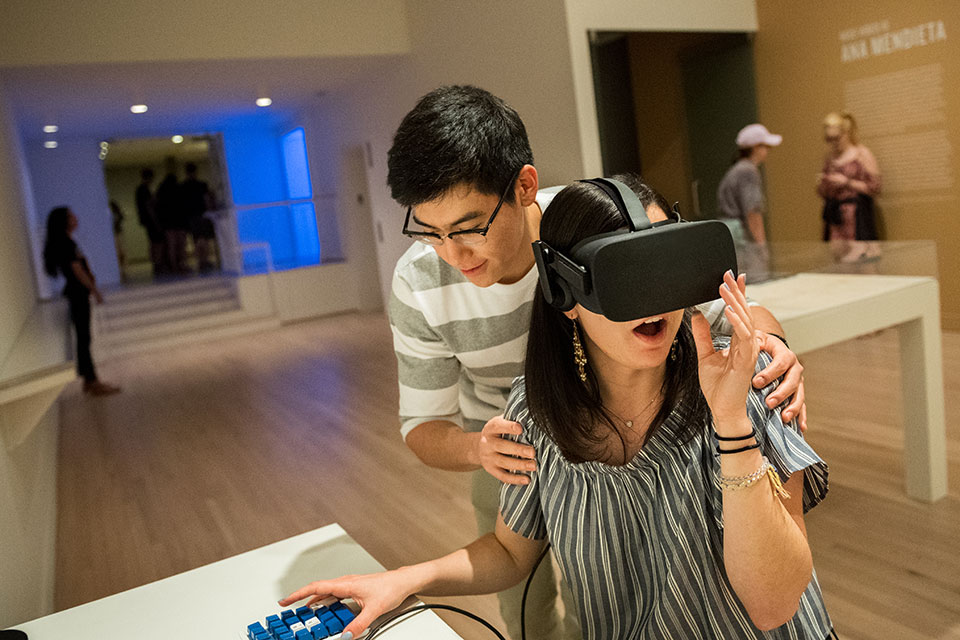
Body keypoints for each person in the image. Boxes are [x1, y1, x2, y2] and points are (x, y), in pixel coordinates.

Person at [280, 176, 833, 639]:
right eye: (626, 275)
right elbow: (510, 552)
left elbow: (773, 605)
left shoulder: (747, 387)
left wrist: (734, 425)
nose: (654, 299)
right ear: (567, 294)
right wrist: (402, 579)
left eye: (664, 265)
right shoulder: (536, 413)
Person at [379, 86, 808, 640]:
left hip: (650, 422)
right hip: (513, 447)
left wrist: (773, 350)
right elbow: (423, 428)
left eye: (468, 228)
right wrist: (480, 449)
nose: (452, 254)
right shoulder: (420, 283)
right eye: (431, 233)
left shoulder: (593, 226)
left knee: (635, 589)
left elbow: (711, 308)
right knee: (535, 612)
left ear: (524, 188)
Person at [42, 206, 120, 396]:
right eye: (70, 216)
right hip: (78, 293)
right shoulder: (65, 244)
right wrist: (94, 290)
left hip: (77, 293)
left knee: (84, 337)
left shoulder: (66, 242)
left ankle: (89, 380)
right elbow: (77, 270)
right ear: (64, 221)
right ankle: (92, 381)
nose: (75, 218)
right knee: (84, 338)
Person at [717, 123, 781, 282]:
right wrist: (761, 246)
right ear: (756, 147)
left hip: (731, 232)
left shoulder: (738, 169)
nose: (767, 151)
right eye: (765, 146)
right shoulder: (747, 171)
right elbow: (752, 211)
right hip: (742, 235)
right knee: (754, 279)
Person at [817, 112, 881, 263]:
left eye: (837, 138)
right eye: (829, 139)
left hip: (857, 216)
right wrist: (824, 184)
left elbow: (875, 186)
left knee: (862, 261)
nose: (833, 143)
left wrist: (847, 182)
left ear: (846, 133)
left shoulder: (861, 154)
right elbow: (823, 191)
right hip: (836, 218)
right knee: (839, 262)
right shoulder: (830, 158)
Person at [180, 162, 217, 272]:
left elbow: (183, 204)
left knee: (196, 240)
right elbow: (206, 200)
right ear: (196, 172)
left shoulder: (183, 186)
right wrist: (210, 211)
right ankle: (204, 260)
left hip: (191, 216)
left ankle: (200, 261)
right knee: (204, 239)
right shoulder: (201, 185)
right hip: (202, 214)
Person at [155, 159, 188, 273]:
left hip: (168, 222)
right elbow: (184, 205)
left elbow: (157, 206)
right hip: (179, 221)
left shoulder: (162, 191)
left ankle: (174, 265)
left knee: (172, 246)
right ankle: (182, 263)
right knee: (181, 245)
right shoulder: (180, 190)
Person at [135, 168, 166, 275]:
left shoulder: (140, 190)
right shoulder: (144, 190)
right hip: (151, 221)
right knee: (157, 243)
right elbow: (149, 207)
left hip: (147, 221)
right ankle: (158, 264)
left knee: (153, 243)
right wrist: (156, 221)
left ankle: (156, 264)